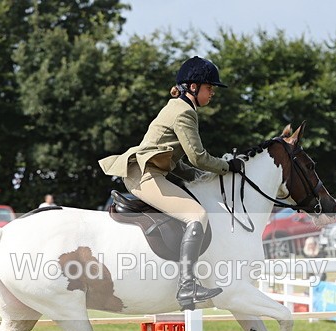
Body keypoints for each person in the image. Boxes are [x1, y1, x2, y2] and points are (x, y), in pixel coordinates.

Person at [98, 56, 244, 310]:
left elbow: (174, 158)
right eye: (210, 88)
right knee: (197, 216)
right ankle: (188, 286)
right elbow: (197, 156)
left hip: (148, 172)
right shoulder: (184, 112)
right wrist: (227, 166)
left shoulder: (177, 108)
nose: (212, 93)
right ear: (193, 87)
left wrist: (197, 178)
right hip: (145, 175)